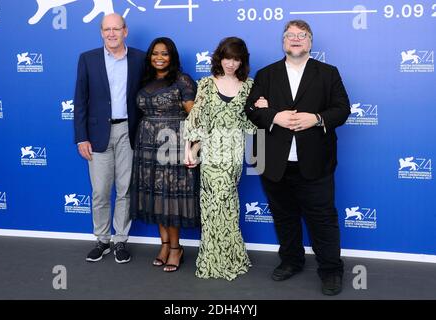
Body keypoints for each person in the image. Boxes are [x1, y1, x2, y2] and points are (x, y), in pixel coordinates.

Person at [245, 20, 350, 295]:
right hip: (274, 162)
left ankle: (330, 271)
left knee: (323, 220)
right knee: (284, 217)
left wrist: (316, 119)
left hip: (315, 162)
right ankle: (291, 261)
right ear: (283, 42)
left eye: (301, 35)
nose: (295, 39)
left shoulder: (328, 73)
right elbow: (251, 110)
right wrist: (274, 116)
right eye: (290, 35)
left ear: (310, 42)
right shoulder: (266, 74)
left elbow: (342, 109)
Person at [74, 13, 145, 264]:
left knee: (125, 189)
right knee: (100, 191)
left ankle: (120, 241)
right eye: (107, 29)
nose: (111, 33)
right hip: (97, 134)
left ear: (125, 31)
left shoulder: (139, 58)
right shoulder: (88, 59)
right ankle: (102, 239)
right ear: (101, 32)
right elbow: (80, 101)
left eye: (116, 29)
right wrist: (81, 137)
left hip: (129, 131)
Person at [184, 37, 256, 281]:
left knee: (226, 203)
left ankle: (229, 258)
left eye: (236, 59)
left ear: (242, 61)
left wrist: (262, 107)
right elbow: (198, 119)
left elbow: (251, 122)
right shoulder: (205, 84)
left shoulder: (249, 86)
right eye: (227, 58)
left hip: (234, 152)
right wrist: (190, 149)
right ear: (219, 58)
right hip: (211, 152)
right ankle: (214, 259)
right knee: (212, 205)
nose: (231, 64)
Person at [129, 37, 200, 272]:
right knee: (156, 196)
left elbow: (196, 119)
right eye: (155, 53)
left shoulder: (183, 81)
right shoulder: (145, 80)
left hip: (173, 145)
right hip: (147, 144)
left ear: (173, 57)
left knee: (170, 199)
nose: (159, 57)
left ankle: (176, 248)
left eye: (165, 53)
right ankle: (165, 245)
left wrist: (193, 148)